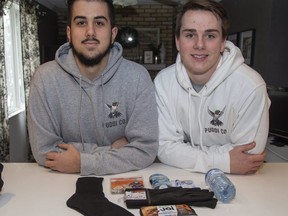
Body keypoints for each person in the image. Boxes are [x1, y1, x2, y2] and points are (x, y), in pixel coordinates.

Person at [28, 0, 158, 175]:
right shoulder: (44, 79)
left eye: (99, 23)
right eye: (81, 23)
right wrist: (112, 149)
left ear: (113, 34)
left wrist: (80, 162)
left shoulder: (137, 77)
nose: (90, 32)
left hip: (122, 180)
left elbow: (145, 150)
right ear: (69, 33)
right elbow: (45, 151)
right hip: (59, 184)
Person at [154, 0, 270, 175]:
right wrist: (223, 160)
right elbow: (163, 148)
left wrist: (183, 152)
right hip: (183, 178)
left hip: (241, 182)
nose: (199, 45)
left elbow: (248, 156)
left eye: (210, 36)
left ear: (223, 42)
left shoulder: (250, 86)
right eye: (190, 35)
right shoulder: (163, 82)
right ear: (178, 41)